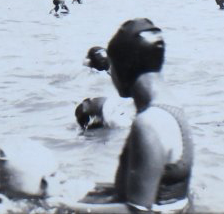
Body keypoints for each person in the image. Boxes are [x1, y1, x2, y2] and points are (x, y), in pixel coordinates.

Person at [64, 18, 193, 213]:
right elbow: (151, 188)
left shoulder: (149, 123)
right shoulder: (170, 107)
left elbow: (137, 211)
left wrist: (63, 205)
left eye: (112, 67)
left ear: (125, 67)